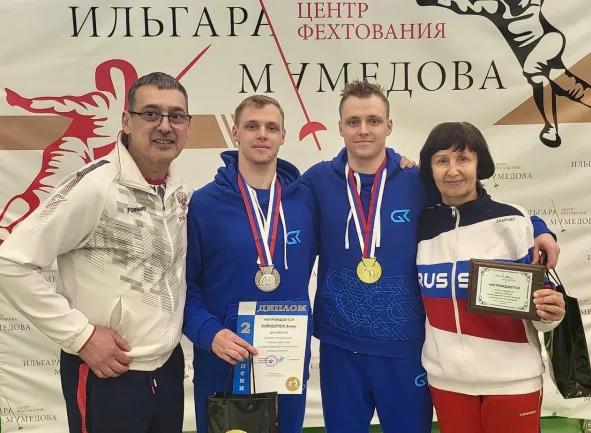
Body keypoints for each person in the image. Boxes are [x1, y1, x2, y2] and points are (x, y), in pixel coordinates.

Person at [301, 79, 560, 432]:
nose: (363, 130)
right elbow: (282, 212)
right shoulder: (317, 180)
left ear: (389, 125)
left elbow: (476, 204)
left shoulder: (417, 179)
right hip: (339, 343)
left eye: (373, 120)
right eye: (353, 121)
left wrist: (538, 227)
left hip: (406, 347)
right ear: (340, 127)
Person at [0, 72, 192, 433]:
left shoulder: (179, 187)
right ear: (126, 121)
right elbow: (10, 262)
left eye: (176, 116)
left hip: (167, 369)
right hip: (109, 373)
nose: (165, 126)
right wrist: (81, 336)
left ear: (187, 127)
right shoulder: (95, 186)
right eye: (151, 113)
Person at [416, 121, 565, 433]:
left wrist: (551, 313)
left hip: (513, 382)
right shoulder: (421, 227)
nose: (453, 170)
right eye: (442, 160)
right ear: (430, 168)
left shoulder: (513, 221)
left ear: (479, 164)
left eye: (463, 158)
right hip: (446, 383)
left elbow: (542, 309)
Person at [183, 95, 318, 433]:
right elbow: (185, 288)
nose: (262, 134)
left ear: (283, 135)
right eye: (252, 126)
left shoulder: (306, 200)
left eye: (271, 127)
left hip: (285, 365)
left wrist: (400, 164)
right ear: (235, 132)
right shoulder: (204, 204)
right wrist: (211, 334)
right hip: (222, 362)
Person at [416, 0, 591, 148]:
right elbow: (460, 5)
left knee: (535, 70)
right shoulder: (493, 6)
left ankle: (551, 127)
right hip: (531, 55)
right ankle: (553, 126)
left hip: (550, 40)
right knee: (560, 82)